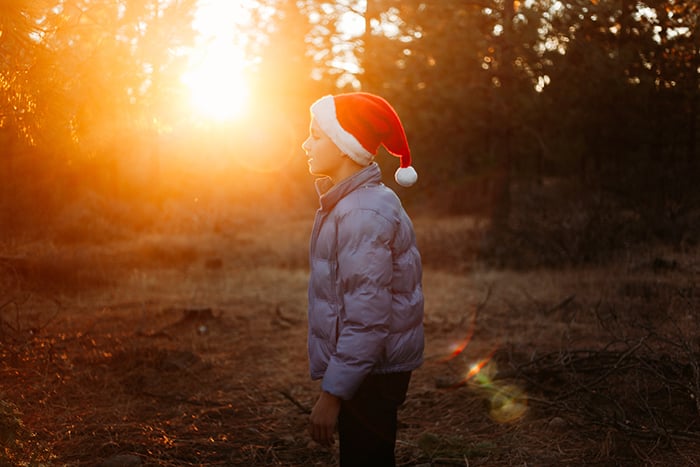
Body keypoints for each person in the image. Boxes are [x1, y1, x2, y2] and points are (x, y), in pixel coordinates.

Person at [301, 92, 425, 467]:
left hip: (372, 373)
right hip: (366, 369)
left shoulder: (362, 214)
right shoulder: (351, 204)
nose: (305, 144)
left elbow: (368, 318)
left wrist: (332, 395)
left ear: (344, 146)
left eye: (316, 135)